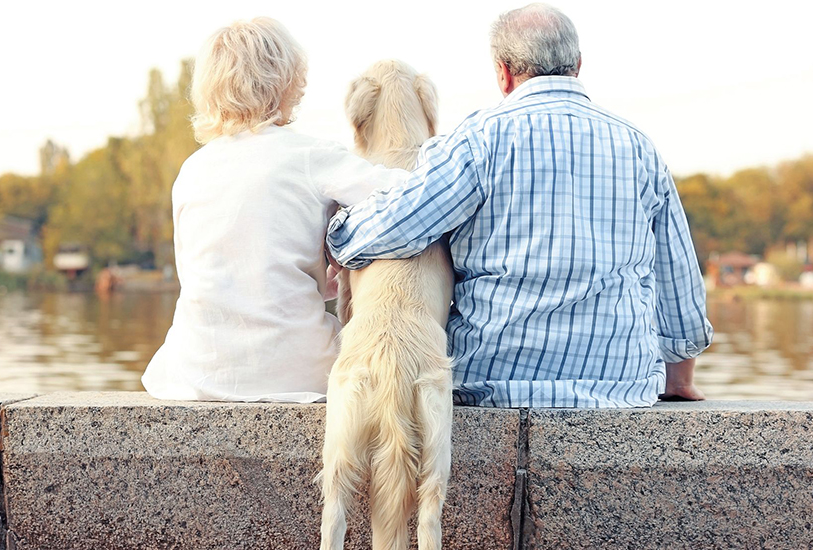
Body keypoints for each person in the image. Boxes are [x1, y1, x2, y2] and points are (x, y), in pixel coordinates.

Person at [327, 3, 713, 408]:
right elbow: (677, 277)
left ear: (503, 72)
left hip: (492, 384)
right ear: (578, 65)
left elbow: (395, 227)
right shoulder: (638, 146)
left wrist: (339, 234)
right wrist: (680, 379)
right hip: (620, 387)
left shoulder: (478, 141)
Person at [142, 18, 406, 402]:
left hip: (195, 369)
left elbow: (208, 274)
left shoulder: (192, 170)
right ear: (287, 82)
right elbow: (405, 195)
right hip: (296, 371)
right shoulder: (311, 156)